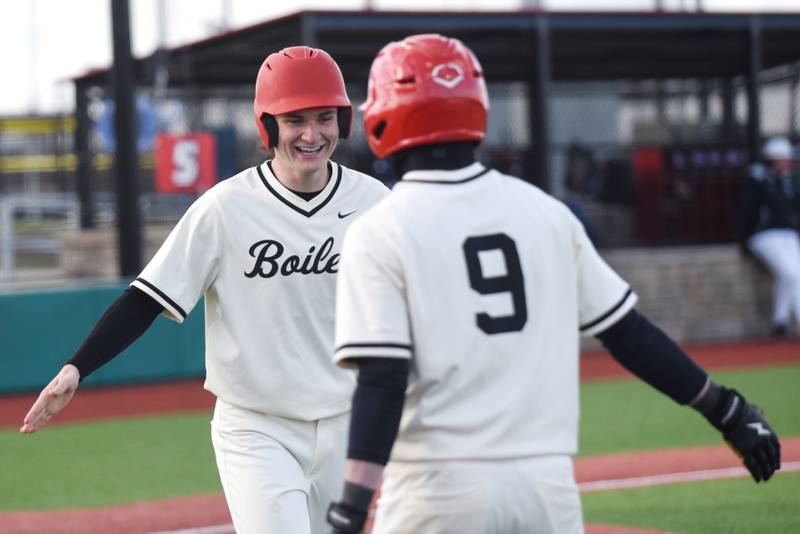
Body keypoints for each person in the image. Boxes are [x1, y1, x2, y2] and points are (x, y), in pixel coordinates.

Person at [325, 34, 781, 534]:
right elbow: (629, 334)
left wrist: (352, 502)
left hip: (437, 487)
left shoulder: (379, 230)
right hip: (547, 489)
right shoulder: (547, 213)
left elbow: (383, 378)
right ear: (477, 108)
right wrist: (727, 410)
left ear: (382, 116)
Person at [20, 45, 389, 534]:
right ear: (267, 125)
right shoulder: (225, 207)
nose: (311, 133)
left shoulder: (374, 202)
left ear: (343, 121)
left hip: (346, 417)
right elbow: (147, 298)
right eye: (294, 118)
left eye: (325, 118)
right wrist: (77, 367)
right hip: (259, 426)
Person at [738, 136, 800, 337]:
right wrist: (743, 241)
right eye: (782, 159)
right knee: (790, 272)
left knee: (794, 274)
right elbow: (746, 211)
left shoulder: (787, 181)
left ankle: (780, 322)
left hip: (787, 233)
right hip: (764, 234)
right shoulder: (758, 179)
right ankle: (788, 320)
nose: (787, 163)